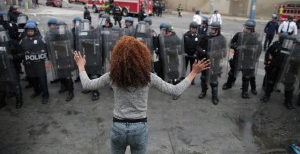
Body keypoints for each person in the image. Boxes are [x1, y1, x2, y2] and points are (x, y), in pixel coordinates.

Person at [73, 36, 210, 154]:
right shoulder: (149, 77)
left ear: (117, 57)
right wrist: (193, 72)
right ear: (143, 57)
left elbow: (87, 84)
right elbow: (175, 90)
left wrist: (81, 65)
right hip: (139, 129)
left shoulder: (112, 76)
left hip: (118, 127)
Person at [222, 19, 262, 98]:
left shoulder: (256, 37)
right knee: (232, 73)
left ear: (251, 29)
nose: (245, 29)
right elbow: (231, 43)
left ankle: (245, 91)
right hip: (237, 58)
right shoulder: (239, 35)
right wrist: (236, 47)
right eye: (245, 28)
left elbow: (259, 49)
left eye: (247, 28)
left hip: (248, 60)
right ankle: (229, 84)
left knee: (247, 76)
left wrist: (254, 57)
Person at [197, 22, 227, 105]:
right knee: (203, 78)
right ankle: (203, 92)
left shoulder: (221, 39)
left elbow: (224, 52)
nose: (212, 30)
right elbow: (198, 46)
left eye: (214, 29)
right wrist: (204, 52)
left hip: (215, 62)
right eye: (211, 28)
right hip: (205, 60)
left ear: (218, 29)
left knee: (213, 81)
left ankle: (214, 96)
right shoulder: (206, 36)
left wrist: (214, 54)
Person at [45, 19, 75, 102]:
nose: (60, 29)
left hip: (66, 56)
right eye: (58, 27)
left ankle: (71, 92)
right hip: (57, 56)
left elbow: (71, 44)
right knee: (60, 73)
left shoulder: (68, 33)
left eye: (62, 27)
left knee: (67, 75)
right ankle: (64, 87)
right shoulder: (52, 33)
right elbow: (49, 43)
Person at [20, 22, 49, 104]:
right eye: (28, 31)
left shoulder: (40, 39)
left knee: (42, 80)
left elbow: (45, 50)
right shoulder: (23, 40)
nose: (30, 32)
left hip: (39, 63)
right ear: (26, 31)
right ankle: (37, 91)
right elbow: (21, 50)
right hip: (29, 64)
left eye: (31, 31)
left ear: (35, 31)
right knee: (33, 79)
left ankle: (45, 95)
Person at [0, 26, 23, 109]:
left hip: (12, 67)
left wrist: (13, 57)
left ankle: (19, 101)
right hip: (1, 69)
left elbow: (21, 54)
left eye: (1, 34)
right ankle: (2, 102)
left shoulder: (12, 43)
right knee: (1, 85)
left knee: (15, 85)